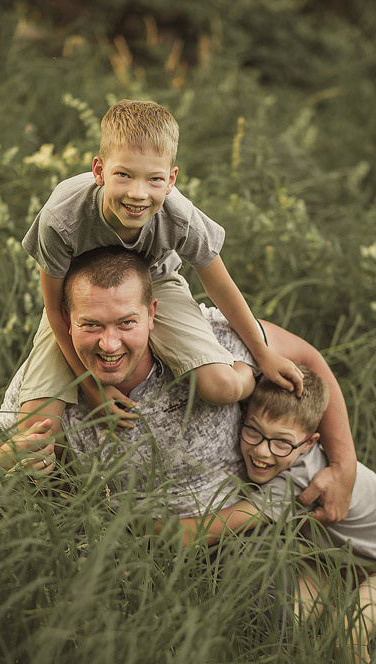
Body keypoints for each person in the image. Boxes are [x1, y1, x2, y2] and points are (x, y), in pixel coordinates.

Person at [0, 247, 356, 524]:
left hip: (237, 534)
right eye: (91, 325)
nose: (109, 345)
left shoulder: (210, 342)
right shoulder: (45, 383)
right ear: (66, 322)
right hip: (130, 556)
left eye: (126, 323)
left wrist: (344, 467)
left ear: (152, 314)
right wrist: (5, 459)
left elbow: (308, 361)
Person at [18, 98, 302, 437]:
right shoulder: (62, 217)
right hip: (82, 298)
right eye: (123, 175)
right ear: (99, 171)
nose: (138, 193)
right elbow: (54, 307)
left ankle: (246, 373)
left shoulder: (179, 217)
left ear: (171, 179)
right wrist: (95, 390)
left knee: (221, 387)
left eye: (154, 179)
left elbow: (220, 286)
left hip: (156, 280)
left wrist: (263, 355)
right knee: (35, 426)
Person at [169, 365, 376, 664]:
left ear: (310, 443)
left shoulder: (303, 479)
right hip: (333, 567)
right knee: (284, 628)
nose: (261, 451)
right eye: (253, 431)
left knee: (348, 636)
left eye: (282, 442)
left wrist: (128, 524)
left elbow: (200, 533)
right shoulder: (283, 457)